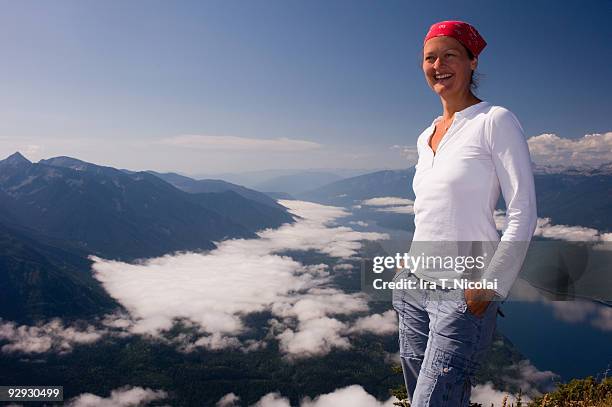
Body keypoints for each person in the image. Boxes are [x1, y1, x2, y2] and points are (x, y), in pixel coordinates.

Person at [392, 20, 537, 406]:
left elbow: (523, 211)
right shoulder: (426, 136)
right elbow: (431, 210)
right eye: (429, 57)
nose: (438, 65)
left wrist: (489, 287)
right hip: (413, 288)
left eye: (450, 55)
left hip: (463, 292)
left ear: (472, 62)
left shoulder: (495, 121)